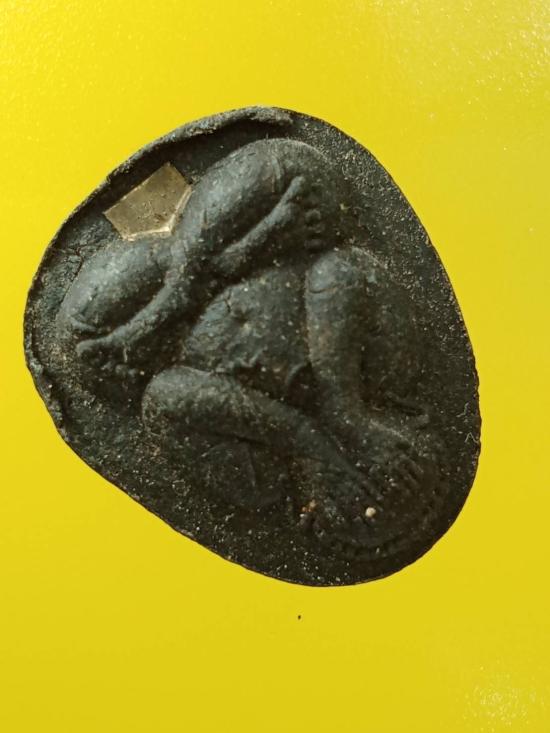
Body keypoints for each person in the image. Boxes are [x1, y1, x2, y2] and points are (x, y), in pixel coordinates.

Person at [57, 138, 439, 549]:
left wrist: (305, 438)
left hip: (151, 309)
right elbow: (342, 269)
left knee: (82, 355)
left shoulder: (256, 484)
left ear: (309, 512)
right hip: (257, 230)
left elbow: (164, 399)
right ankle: (194, 265)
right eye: (396, 470)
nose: (362, 473)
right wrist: (343, 407)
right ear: (411, 420)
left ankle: (186, 276)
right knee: (310, 179)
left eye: (352, 500)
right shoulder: (395, 368)